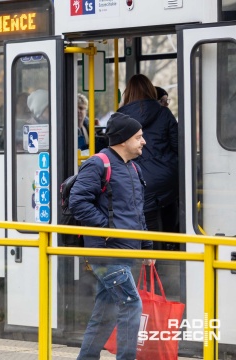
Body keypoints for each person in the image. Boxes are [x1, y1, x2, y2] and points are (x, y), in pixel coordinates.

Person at [69, 113, 153, 360]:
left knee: (105, 311)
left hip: (125, 250)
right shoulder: (98, 163)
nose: (143, 142)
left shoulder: (132, 167)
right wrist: (106, 228)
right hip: (106, 253)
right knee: (131, 304)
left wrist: (147, 248)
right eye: (138, 137)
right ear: (123, 140)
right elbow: (78, 201)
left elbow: (137, 213)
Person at [118, 75, 179, 237]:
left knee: (149, 224)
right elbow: (178, 145)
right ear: (151, 90)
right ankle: (173, 248)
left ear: (128, 93)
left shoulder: (119, 119)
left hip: (138, 179)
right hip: (168, 177)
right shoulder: (164, 113)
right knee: (170, 213)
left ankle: (154, 256)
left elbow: (116, 154)